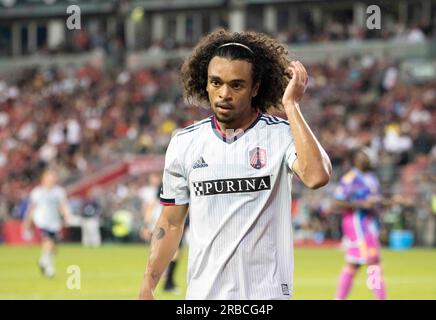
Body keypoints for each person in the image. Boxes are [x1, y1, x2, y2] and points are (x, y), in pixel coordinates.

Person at [139, 29, 331, 300]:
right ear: (205, 84)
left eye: (236, 85)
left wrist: (291, 106)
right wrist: (148, 285)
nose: (224, 94)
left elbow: (317, 176)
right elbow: (170, 224)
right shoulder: (184, 143)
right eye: (216, 83)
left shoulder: (280, 135)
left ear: (255, 88)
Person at [333, 147, 387, 300]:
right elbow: (337, 202)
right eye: (361, 156)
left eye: (367, 156)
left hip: (370, 224)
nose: (365, 158)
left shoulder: (372, 178)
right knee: (374, 264)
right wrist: (362, 205)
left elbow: (374, 203)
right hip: (357, 225)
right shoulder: (350, 178)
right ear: (355, 160)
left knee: (353, 264)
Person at [22, 169, 72, 278]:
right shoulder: (37, 192)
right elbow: (31, 208)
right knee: (48, 242)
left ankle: (43, 260)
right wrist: (27, 223)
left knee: (54, 248)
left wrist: (67, 216)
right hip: (42, 221)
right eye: (50, 177)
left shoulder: (59, 191)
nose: (52, 179)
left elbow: (63, 205)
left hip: (55, 223)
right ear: (44, 179)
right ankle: (49, 268)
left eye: (53, 177)